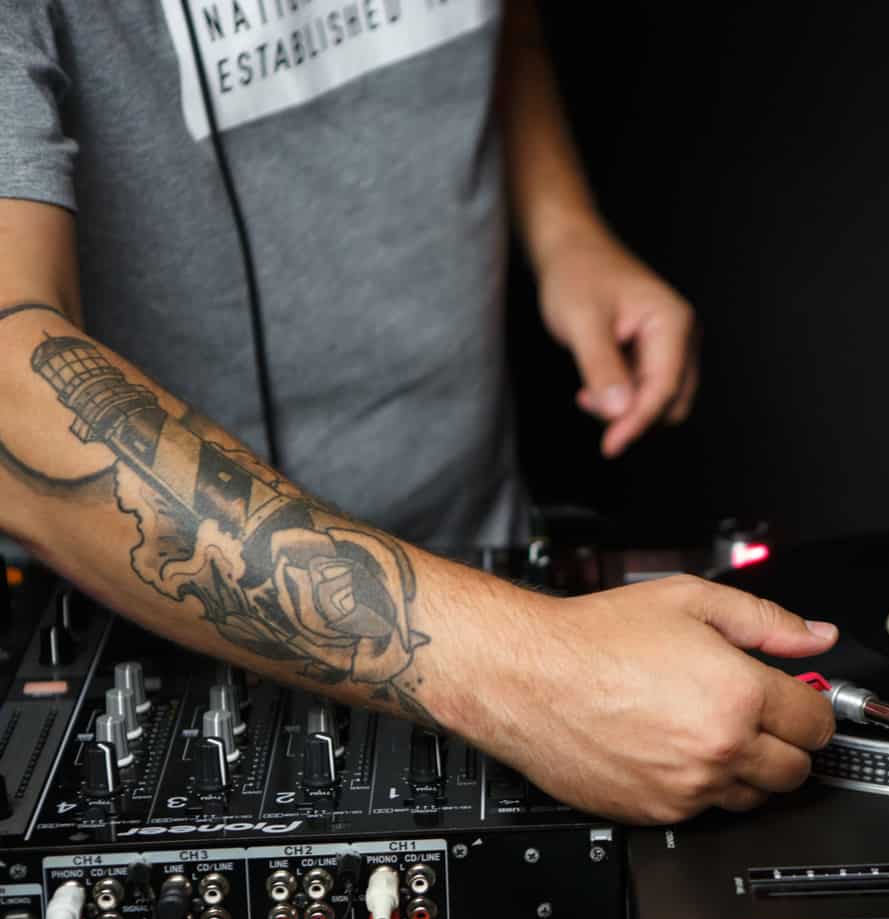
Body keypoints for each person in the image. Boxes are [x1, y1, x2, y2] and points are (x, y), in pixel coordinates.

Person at [0, 0, 836, 824]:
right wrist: (532, 675)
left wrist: (564, 227)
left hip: (502, 577)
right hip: (160, 641)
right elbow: (14, 384)